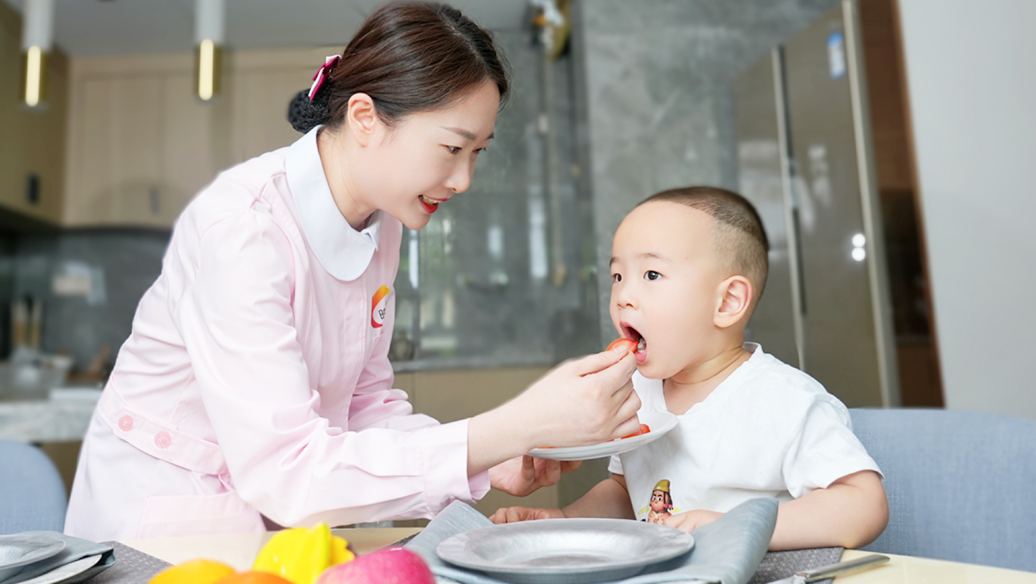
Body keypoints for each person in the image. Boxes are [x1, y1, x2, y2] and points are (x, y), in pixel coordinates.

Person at [64, 3, 641, 541]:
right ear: (365, 117)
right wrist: (510, 427)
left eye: (478, 153)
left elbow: (362, 405)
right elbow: (288, 472)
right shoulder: (242, 231)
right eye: (452, 148)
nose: (464, 180)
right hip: (159, 520)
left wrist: (492, 458)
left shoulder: (379, 220)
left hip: (261, 516)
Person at [490, 187, 889, 550]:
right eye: (617, 276)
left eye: (651, 274)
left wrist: (738, 527)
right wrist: (564, 519)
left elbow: (863, 504)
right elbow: (627, 496)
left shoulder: (785, 400)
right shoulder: (636, 397)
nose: (623, 295)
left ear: (727, 302)